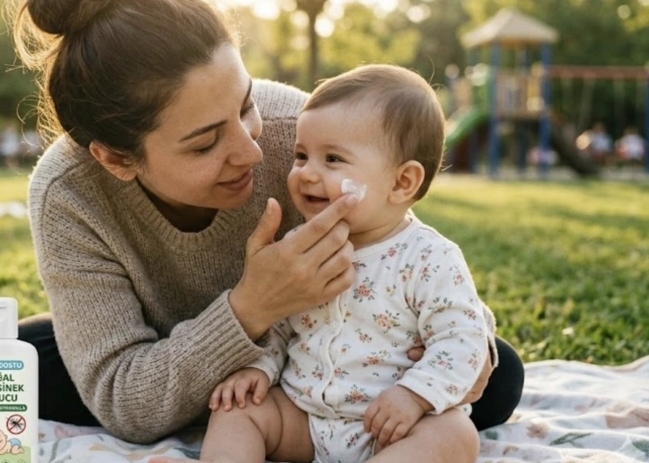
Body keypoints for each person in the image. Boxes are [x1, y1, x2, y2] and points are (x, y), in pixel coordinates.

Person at [13, 0, 523, 452]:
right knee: (15, 364)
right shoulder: (70, 193)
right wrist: (251, 306)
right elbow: (126, 403)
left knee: (500, 378)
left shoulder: (303, 136)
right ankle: (219, 404)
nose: (254, 151)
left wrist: (468, 340)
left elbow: (402, 246)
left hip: (306, 355)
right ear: (116, 158)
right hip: (163, 349)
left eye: (245, 105)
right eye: (205, 143)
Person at [152, 66, 494, 463]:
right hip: (305, 417)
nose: (306, 173)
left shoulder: (427, 257)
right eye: (301, 155)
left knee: (454, 435)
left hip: (393, 426)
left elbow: (462, 338)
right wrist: (260, 370)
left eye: (332, 159)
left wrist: (414, 395)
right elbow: (279, 329)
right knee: (238, 409)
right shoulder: (301, 248)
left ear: (402, 183)